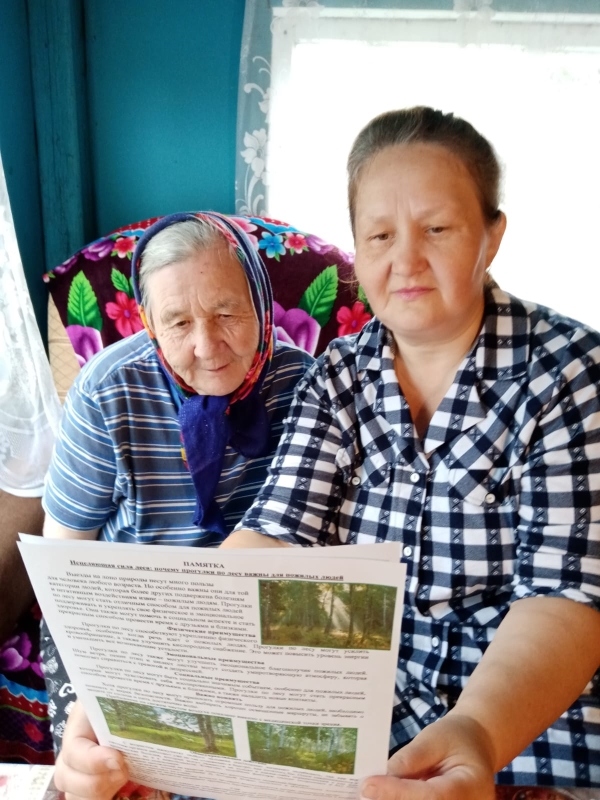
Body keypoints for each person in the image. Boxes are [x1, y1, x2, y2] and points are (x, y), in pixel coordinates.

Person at [53, 109, 600, 800]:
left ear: (491, 236)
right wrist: (137, 694)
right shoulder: (340, 374)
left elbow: (561, 599)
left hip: (522, 724)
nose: (405, 260)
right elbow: (272, 539)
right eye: (380, 235)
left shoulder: (570, 375)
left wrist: (479, 733)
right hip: (355, 714)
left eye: (437, 228)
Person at [41, 211, 313, 777]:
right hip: (125, 619)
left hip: (250, 619)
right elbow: (64, 559)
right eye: (178, 322)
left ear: (261, 300)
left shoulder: (304, 383)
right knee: (105, 770)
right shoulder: (107, 390)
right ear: (147, 321)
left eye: (226, 313)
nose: (207, 346)